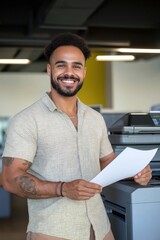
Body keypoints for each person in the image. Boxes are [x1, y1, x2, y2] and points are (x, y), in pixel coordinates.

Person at [2, 33, 152, 240]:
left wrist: (134, 172)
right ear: (49, 69)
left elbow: (107, 163)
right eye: (61, 65)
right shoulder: (27, 120)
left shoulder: (95, 119)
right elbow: (10, 179)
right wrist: (63, 189)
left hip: (99, 227)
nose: (69, 72)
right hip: (54, 231)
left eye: (76, 66)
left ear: (84, 72)